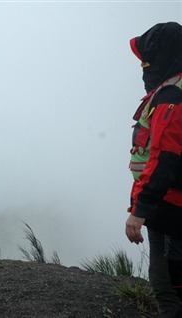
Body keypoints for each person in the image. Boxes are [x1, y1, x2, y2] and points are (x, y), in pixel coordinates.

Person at [126, 22, 182, 318]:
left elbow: (164, 158)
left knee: (167, 290)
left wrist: (141, 209)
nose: (144, 68)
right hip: (170, 205)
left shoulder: (172, 96)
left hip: (171, 210)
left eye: (147, 61)